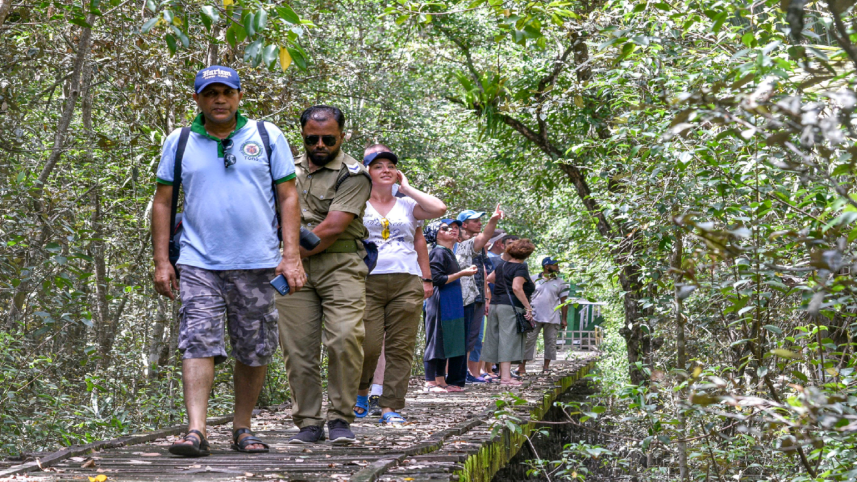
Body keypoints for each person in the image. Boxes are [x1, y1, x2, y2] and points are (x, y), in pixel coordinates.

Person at [151, 66, 305, 457]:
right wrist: (161, 261)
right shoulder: (180, 141)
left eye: (226, 92)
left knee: (254, 346)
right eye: (210, 93)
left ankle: (242, 427)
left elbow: (288, 196)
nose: (219, 99)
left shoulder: (267, 136)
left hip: (257, 261)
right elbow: (163, 201)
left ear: (238, 96)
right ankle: (196, 431)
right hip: (198, 260)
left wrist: (291, 255)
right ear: (197, 99)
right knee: (197, 341)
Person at [275, 105, 372, 445]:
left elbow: (331, 228)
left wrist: (288, 256)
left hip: (339, 263)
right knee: (297, 347)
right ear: (302, 136)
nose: (319, 145)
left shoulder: (354, 174)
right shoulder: (285, 169)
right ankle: (309, 422)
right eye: (312, 138)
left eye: (328, 139)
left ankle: (341, 417)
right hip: (293, 266)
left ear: (342, 136)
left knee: (345, 338)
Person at [353, 144, 446, 425]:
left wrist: (406, 188)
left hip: (406, 279)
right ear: (367, 171)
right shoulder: (357, 202)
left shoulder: (407, 205)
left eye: (391, 166)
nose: (386, 170)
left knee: (400, 347)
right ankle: (361, 392)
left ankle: (389, 406)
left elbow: (438, 211)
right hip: (367, 279)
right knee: (367, 345)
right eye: (378, 166)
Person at [423, 219, 478, 392]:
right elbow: (437, 279)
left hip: (451, 301)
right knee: (436, 338)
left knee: (446, 340)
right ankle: (430, 382)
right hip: (440, 300)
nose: (452, 230)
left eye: (454, 228)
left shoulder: (448, 252)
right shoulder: (438, 252)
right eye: (445, 228)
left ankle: (441, 381)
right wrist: (462, 273)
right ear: (435, 234)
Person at [455, 208, 503, 384]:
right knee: (459, 335)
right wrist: (493, 220)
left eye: (480, 220)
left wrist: (486, 297)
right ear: (464, 224)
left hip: (477, 295)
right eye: (475, 221)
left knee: (472, 337)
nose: (479, 223)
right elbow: (485, 236)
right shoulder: (460, 244)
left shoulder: (476, 246)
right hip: (460, 295)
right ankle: (451, 374)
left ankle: (465, 372)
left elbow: (483, 271)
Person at [484, 239, 537, 386]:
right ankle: (506, 378)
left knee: (497, 339)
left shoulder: (502, 265)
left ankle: (502, 374)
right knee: (508, 340)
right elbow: (516, 287)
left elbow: (490, 278)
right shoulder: (521, 267)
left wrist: (503, 285)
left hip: (496, 305)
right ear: (527, 254)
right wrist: (528, 307)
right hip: (510, 307)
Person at [519, 257, 569, 376]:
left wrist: (564, 319)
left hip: (552, 317)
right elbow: (525, 295)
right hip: (534, 316)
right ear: (547, 266)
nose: (557, 267)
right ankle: (522, 367)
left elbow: (564, 302)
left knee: (551, 342)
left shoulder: (561, 282)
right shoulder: (533, 279)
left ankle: (546, 367)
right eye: (555, 265)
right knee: (528, 341)